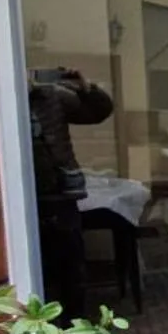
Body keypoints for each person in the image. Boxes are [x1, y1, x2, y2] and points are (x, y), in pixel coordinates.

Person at [30, 68, 114, 318]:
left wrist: (87, 88)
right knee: (38, 273)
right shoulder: (1, 101)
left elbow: (98, 112)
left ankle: (76, 333)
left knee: (71, 271)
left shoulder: (50, 96)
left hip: (60, 194)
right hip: (24, 197)